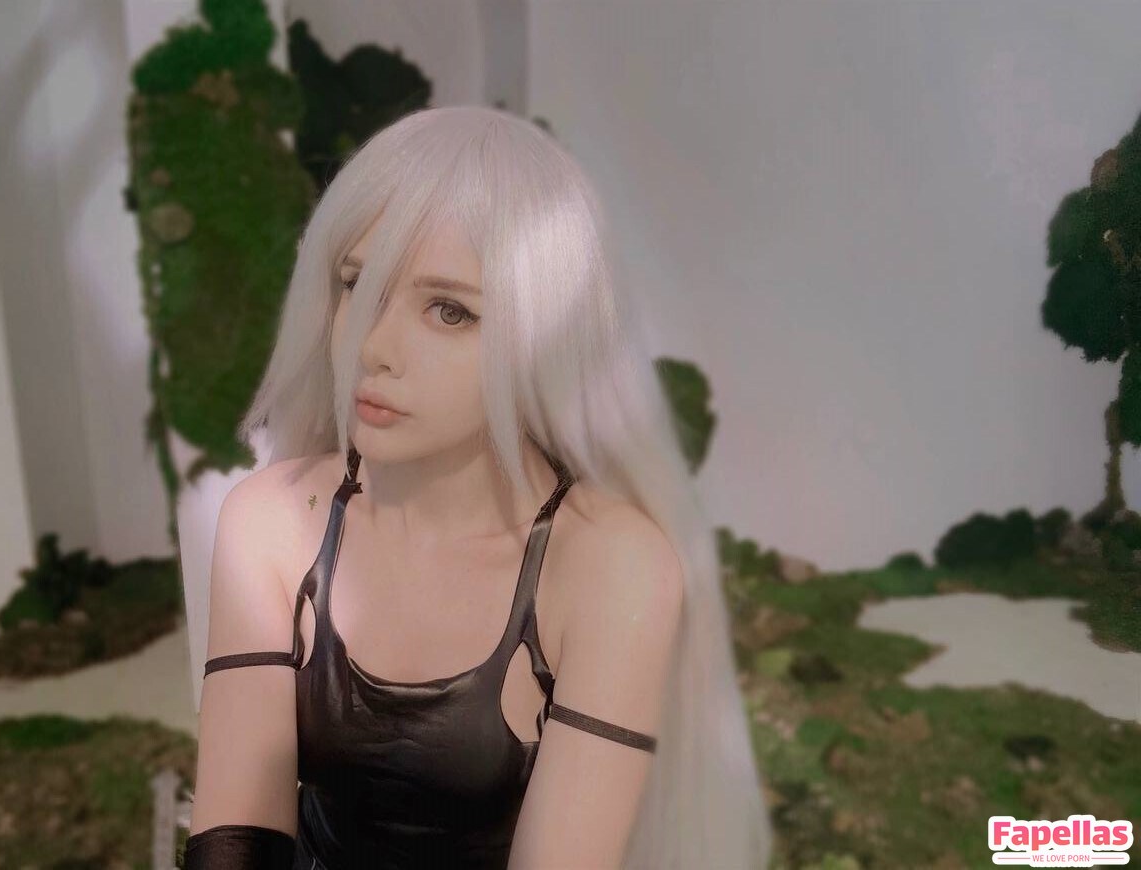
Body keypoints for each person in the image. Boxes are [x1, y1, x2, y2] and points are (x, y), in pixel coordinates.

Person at [183, 105, 772, 869]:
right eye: (357, 285)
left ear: (544, 336)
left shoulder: (612, 566)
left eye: (450, 311)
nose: (374, 346)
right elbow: (237, 835)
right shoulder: (271, 520)